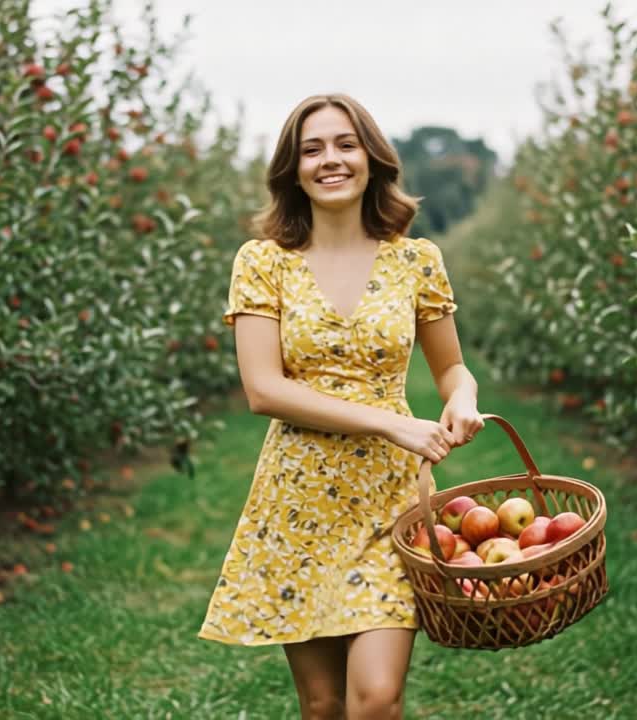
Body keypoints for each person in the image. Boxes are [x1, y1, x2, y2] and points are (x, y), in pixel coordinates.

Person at [197, 93, 485, 720]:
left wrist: (462, 398)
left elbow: (450, 366)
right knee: (324, 705)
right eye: (312, 148)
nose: (331, 160)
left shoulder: (416, 260)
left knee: (376, 698)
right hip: (299, 500)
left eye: (345, 144)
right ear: (292, 168)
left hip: (391, 500)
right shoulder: (264, 263)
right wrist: (391, 420)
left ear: (372, 159)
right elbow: (263, 389)